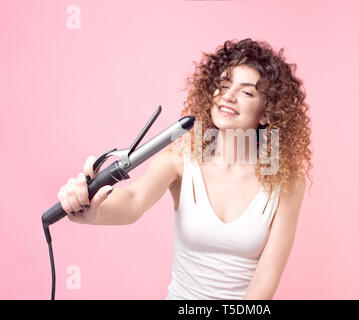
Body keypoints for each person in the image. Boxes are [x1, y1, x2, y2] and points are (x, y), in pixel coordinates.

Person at [57, 38, 313, 299]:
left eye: (246, 92)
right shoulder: (179, 161)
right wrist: (94, 210)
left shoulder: (287, 182)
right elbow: (133, 200)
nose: (228, 96)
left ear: (266, 113)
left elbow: (264, 284)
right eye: (224, 85)